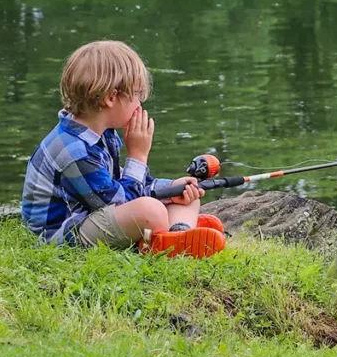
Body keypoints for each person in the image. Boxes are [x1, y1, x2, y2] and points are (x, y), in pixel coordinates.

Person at [21, 40, 226, 258]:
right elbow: (118, 202)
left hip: (96, 212)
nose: (140, 104)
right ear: (111, 98)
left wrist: (172, 188)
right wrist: (138, 156)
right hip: (63, 236)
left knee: (186, 192)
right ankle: (170, 234)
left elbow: (124, 185)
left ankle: (178, 233)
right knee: (150, 210)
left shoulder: (102, 133)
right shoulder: (74, 151)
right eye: (137, 94)